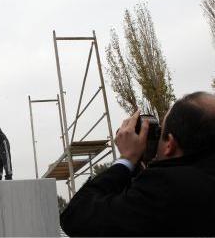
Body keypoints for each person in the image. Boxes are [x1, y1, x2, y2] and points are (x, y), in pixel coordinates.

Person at [60, 91, 215, 236]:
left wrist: (127, 159)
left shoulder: (165, 187)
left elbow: (76, 217)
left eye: (161, 134)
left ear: (170, 145)